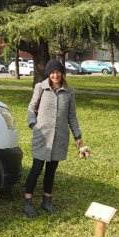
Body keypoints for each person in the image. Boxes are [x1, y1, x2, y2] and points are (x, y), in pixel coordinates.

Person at [22, 60, 89, 218]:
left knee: (51, 171)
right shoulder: (40, 88)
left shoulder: (69, 92)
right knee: (36, 169)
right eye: (52, 72)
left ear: (62, 73)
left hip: (59, 137)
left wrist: (78, 137)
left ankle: (46, 200)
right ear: (48, 74)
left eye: (58, 72)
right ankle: (28, 202)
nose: (55, 75)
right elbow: (32, 107)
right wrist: (33, 124)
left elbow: (72, 117)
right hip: (42, 136)